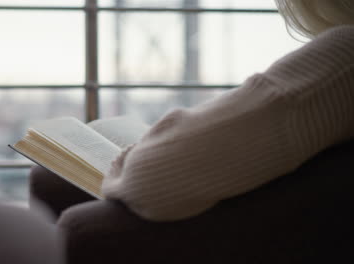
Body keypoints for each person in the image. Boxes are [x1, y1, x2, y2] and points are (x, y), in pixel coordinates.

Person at [31, 0, 354, 222]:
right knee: (54, 182)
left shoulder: (345, 56)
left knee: (63, 195)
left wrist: (133, 155)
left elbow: (153, 177)